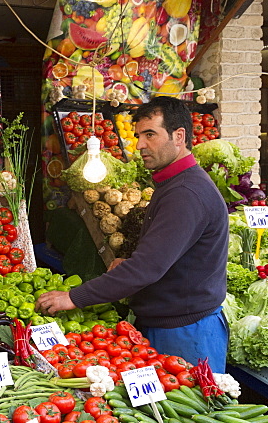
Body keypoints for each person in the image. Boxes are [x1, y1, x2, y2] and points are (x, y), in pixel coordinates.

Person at [35, 96, 229, 372]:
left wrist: (74, 297)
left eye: (150, 135)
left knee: (191, 413)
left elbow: (147, 269)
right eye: (138, 136)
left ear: (179, 136)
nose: (140, 145)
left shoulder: (185, 194)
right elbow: (165, 256)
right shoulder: (174, 184)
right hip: (173, 324)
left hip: (186, 334)